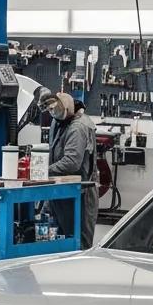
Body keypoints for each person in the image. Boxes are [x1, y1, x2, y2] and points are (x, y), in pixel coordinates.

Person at [45, 92, 99, 249]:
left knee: (79, 245)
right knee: (57, 241)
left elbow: (72, 162)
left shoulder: (78, 127)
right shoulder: (58, 121)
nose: (53, 114)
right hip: (60, 190)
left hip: (80, 193)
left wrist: (44, 171)